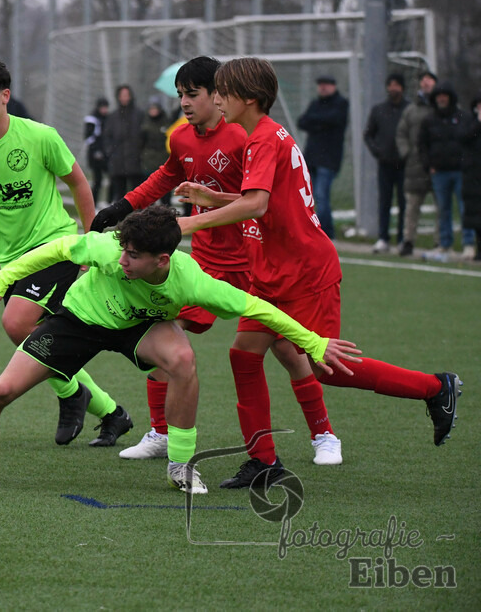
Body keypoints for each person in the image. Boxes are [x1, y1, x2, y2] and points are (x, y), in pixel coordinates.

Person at [0, 205, 362, 493]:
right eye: (121, 250)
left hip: (139, 326)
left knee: (182, 360)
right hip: (78, 320)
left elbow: (259, 308)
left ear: (163, 259)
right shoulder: (107, 249)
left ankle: (180, 465)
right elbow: (58, 249)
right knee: (2, 390)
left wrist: (314, 342)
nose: (121, 260)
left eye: (132, 256)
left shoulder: (192, 279)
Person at [173, 57, 462, 489]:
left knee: (327, 366)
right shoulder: (262, 136)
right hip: (273, 271)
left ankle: (435, 388)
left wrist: (192, 221)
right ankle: (264, 461)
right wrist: (211, 198)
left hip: (306, 271)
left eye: (223, 92)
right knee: (243, 355)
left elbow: (257, 205)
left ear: (248, 98)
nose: (217, 99)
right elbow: (260, 198)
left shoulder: (264, 139)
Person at [91, 56, 340, 467]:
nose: (186, 103)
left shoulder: (246, 137)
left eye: (194, 94)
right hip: (206, 264)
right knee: (163, 335)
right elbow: (165, 176)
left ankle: (323, 433)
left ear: (219, 95)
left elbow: (259, 203)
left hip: (254, 260)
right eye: (180, 95)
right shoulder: (182, 138)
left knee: (285, 347)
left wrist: (191, 219)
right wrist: (124, 205)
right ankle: (161, 433)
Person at [0, 57, 133, 447]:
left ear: (5, 96)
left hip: (56, 245)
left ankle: (72, 396)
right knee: (44, 338)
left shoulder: (38, 136)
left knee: (18, 325)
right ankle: (109, 411)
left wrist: (89, 242)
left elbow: (80, 185)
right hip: (13, 262)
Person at [420, 82, 475, 259]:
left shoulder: (463, 117)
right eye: (438, 96)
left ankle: (468, 244)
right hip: (440, 172)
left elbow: (469, 141)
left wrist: (467, 164)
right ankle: (445, 244)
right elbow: (422, 145)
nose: (442, 99)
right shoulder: (429, 120)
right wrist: (429, 165)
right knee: (443, 209)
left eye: (445, 95)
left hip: (460, 171)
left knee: (464, 208)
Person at [296, 74, 349, 239]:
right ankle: (317, 230)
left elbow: (334, 119)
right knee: (308, 195)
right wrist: (321, 122)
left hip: (329, 159)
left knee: (321, 195)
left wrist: (317, 121)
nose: (323, 87)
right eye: (321, 84)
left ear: (333, 86)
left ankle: (324, 232)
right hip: (311, 158)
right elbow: (302, 121)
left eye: (326, 84)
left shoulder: (341, 103)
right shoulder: (315, 103)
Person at [364, 73, 410, 253]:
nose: (393, 88)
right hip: (385, 164)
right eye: (390, 85)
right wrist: (378, 151)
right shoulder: (379, 110)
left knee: (404, 203)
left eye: (397, 85)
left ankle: (402, 238)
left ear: (403, 87)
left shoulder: (409, 109)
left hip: (404, 164)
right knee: (384, 202)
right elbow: (368, 134)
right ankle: (383, 238)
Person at [395, 71, 438, 257]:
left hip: (438, 166)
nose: (426, 84)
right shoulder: (411, 110)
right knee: (412, 206)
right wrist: (407, 154)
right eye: (423, 81)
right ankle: (408, 241)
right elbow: (401, 134)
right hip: (415, 165)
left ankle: (441, 242)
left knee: (441, 207)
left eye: (430, 81)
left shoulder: (444, 108)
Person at [104, 84, 146, 201]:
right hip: (118, 163)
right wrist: (111, 152)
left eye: (127, 95)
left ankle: (138, 217)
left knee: (138, 193)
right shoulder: (113, 117)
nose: (124, 98)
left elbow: (144, 136)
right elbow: (107, 137)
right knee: (120, 195)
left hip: (136, 162)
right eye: (122, 95)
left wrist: (141, 153)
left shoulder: (139, 115)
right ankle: (120, 218)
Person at [139, 95, 173, 206]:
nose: (153, 111)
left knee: (165, 191)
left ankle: (166, 211)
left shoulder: (166, 122)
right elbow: (141, 143)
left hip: (163, 160)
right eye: (151, 108)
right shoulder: (144, 124)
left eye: (155, 108)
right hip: (148, 161)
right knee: (149, 190)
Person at [463, 92, 481, 261]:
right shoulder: (470, 122)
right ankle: (477, 247)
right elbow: (464, 137)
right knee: (475, 214)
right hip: (474, 176)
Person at [84, 97, 110, 205]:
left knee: (112, 178)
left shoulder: (108, 119)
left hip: (106, 154)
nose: (104, 110)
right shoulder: (92, 119)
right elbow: (88, 137)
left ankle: (109, 201)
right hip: (95, 156)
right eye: (102, 107)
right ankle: (93, 203)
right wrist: (96, 151)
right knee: (97, 181)